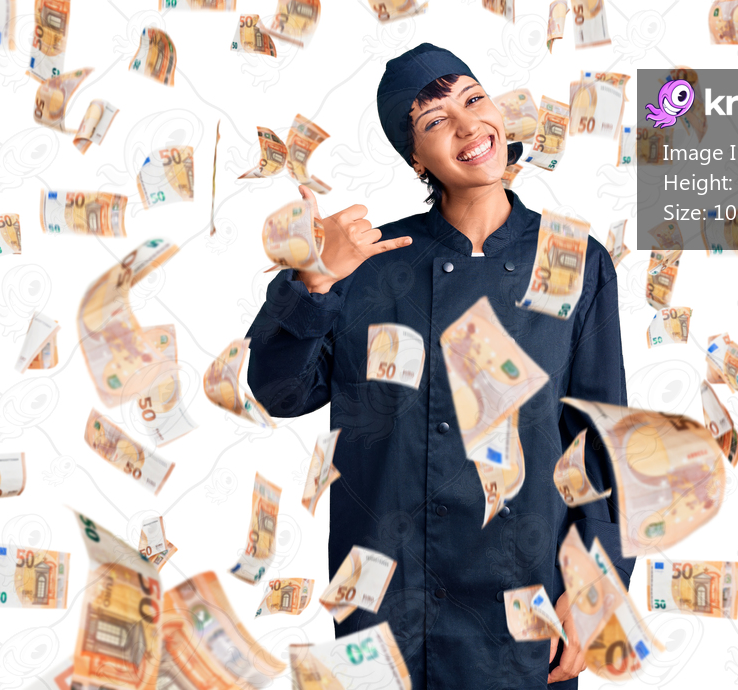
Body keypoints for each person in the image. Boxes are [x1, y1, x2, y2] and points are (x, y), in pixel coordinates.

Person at [245, 42, 632, 689]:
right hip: (392, 613)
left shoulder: (577, 260)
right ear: (415, 157)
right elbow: (280, 393)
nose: (465, 126)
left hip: (526, 609)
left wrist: (596, 583)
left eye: (473, 100)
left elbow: (602, 441)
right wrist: (312, 283)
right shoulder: (370, 264)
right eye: (432, 122)